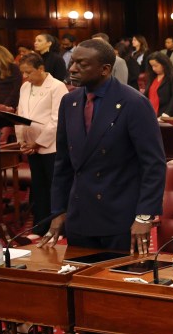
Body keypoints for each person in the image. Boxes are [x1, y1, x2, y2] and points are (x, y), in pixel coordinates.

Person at [41, 38, 166, 254]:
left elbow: (153, 165)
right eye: (73, 62)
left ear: (105, 69)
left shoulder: (133, 103)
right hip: (80, 214)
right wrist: (59, 210)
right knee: (78, 282)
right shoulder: (69, 102)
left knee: (116, 284)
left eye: (82, 64)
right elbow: (63, 163)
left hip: (119, 216)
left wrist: (144, 215)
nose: (73, 68)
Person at [16, 53, 67, 235]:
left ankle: (58, 227)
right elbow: (20, 112)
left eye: (28, 72)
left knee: (54, 187)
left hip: (50, 145)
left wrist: (38, 143)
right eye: (23, 73)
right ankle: (40, 226)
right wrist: (22, 140)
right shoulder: (25, 87)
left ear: (40, 68)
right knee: (38, 187)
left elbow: (57, 120)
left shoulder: (57, 86)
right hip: (31, 145)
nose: (25, 76)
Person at [144, 51, 173, 117]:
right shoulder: (152, 78)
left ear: (164, 64)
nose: (153, 69)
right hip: (152, 114)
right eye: (152, 66)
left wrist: (167, 113)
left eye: (156, 66)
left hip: (167, 115)